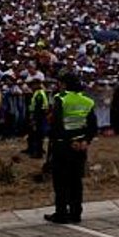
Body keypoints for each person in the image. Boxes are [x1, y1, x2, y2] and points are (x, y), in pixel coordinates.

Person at [44, 72, 97, 225]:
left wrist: (67, 140)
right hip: (80, 146)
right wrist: (86, 140)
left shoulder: (61, 98)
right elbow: (92, 125)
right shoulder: (87, 101)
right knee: (76, 180)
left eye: (60, 83)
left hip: (63, 145)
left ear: (64, 84)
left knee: (61, 181)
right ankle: (75, 213)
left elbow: (57, 124)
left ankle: (61, 214)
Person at [23, 79, 50, 159]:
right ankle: (32, 149)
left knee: (38, 134)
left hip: (38, 116)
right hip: (38, 116)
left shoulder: (39, 94)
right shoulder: (38, 93)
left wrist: (33, 118)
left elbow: (38, 108)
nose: (31, 86)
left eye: (33, 84)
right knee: (33, 133)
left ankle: (38, 153)